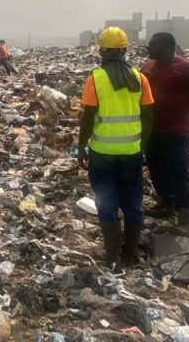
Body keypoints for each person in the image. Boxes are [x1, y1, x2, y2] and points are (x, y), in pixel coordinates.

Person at [77, 27, 154, 268]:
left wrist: (81, 147)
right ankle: (129, 255)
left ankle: (112, 256)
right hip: (131, 152)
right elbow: (148, 117)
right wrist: (141, 146)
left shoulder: (95, 79)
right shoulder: (140, 78)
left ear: (102, 52)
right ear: (124, 51)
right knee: (132, 202)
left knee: (107, 202)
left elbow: (88, 118)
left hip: (102, 154)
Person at [142, 32, 189, 234]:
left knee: (179, 173)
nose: (149, 47)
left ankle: (185, 217)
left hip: (175, 131)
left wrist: (184, 109)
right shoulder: (147, 67)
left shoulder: (188, 68)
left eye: (153, 45)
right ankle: (166, 203)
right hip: (151, 129)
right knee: (156, 168)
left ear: (168, 47)